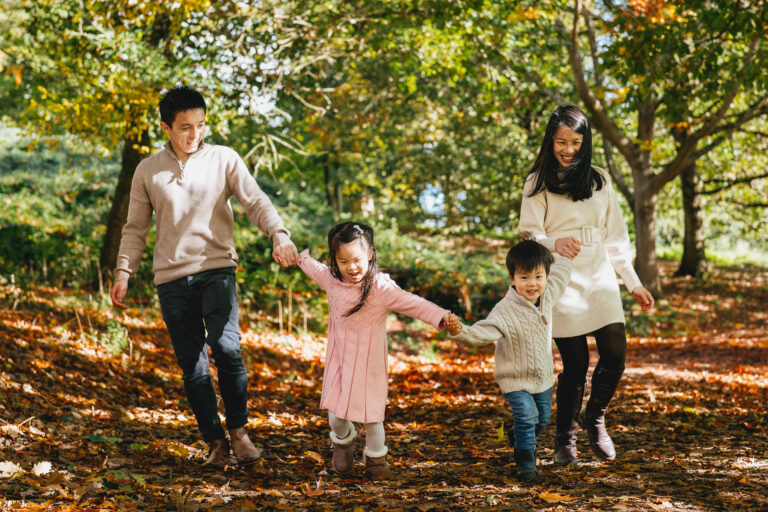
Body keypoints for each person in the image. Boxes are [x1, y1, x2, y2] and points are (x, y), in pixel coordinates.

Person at [109, 85, 299, 471]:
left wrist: (279, 234)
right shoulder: (147, 171)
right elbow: (134, 229)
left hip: (217, 270)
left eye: (200, 125)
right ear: (166, 127)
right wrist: (123, 271)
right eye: (184, 127)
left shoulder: (224, 159)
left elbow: (255, 200)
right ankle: (214, 441)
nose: (194, 134)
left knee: (228, 350)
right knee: (192, 365)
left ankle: (239, 432)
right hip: (171, 280)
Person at [518, 105, 654, 466]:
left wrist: (634, 284)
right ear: (550, 140)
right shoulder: (537, 182)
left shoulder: (600, 179)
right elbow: (529, 235)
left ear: (585, 142)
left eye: (575, 142)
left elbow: (617, 239)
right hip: (561, 280)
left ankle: (594, 417)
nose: (567, 149)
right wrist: (554, 242)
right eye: (561, 141)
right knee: (575, 365)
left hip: (600, 280)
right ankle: (565, 440)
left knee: (615, 355)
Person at [297, 222, 452, 481]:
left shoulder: (380, 287)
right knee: (336, 414)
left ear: (370, 254)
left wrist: (441, 315)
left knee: (372, 418)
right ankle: (343, 441)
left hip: (370, 366)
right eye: (343, 261)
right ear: (335, 259)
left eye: (357, 259)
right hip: (338, 362)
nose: (351, 267)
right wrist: (294, 254)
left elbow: (412, 303)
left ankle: (376, 458)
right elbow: (312, 267)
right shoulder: (332, 281)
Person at [444, 239, 575, 480]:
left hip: (543, 377)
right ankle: (526, 463)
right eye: (524, 278)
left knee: (542, 420)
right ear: (512, 278)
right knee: (527, 416)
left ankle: (518, 435)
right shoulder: (505, 310)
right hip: (514, 379)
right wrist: (458, 330)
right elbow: (481, 333)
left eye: (538, 276)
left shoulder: (548, 295)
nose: (532, 284)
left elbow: (562, 275)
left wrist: (567, 256)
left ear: (546, 276)